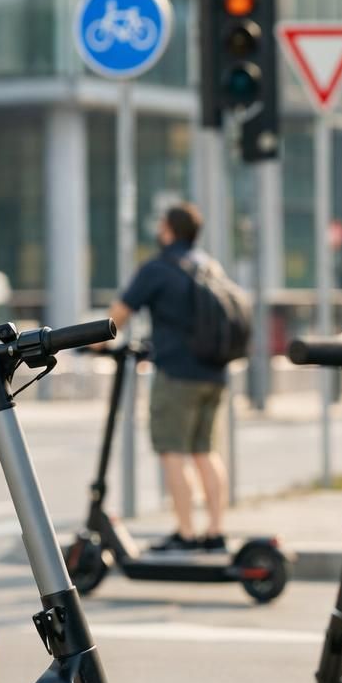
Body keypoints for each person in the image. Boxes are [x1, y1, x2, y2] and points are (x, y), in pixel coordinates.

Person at [108, 203, 231, 552]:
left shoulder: (158, 268)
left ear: (168, 230)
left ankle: (186, 533)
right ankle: (216, 532)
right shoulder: (210, 266)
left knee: (173, 452)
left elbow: (118, 315)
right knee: (206, 452)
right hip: (215, 373)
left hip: (177, 374)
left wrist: (96, 343)